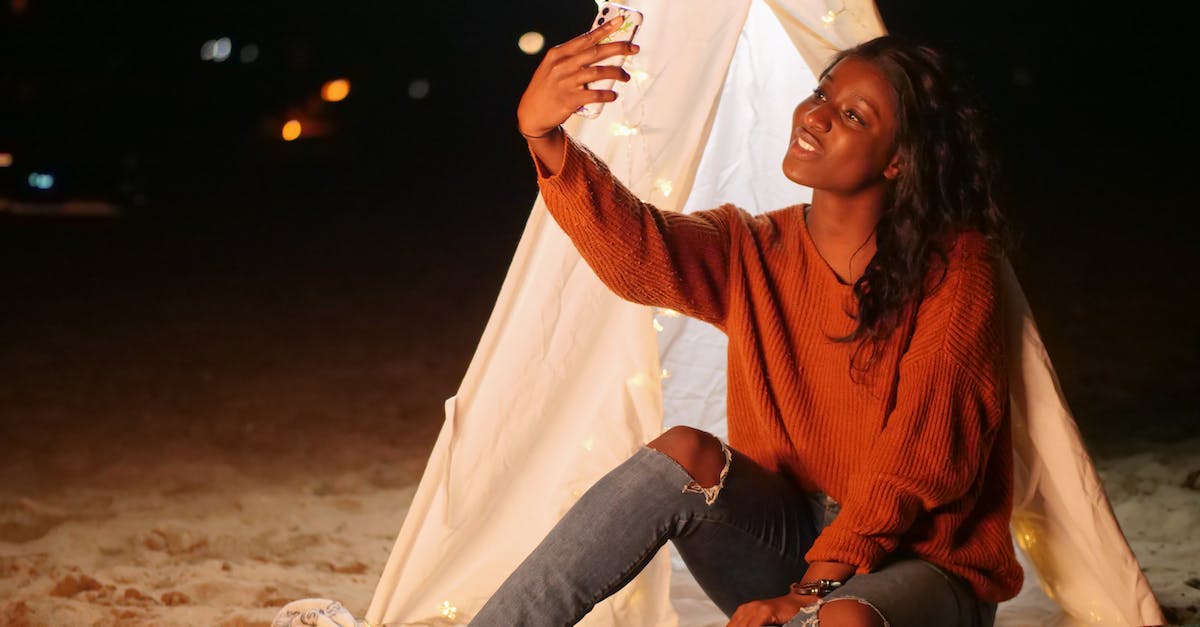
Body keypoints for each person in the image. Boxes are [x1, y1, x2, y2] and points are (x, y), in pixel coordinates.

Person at [471, 16, 1022, 627]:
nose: (814, 116)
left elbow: (925, 453)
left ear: (899, 161)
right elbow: (640, 256)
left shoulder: (958, 267)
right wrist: (545, 137)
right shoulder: (752, 247)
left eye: (852, 116)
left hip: (923, 565)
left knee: (844, 621)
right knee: (684, 454)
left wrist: (815, 591)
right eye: (822, 94)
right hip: (790, 547)